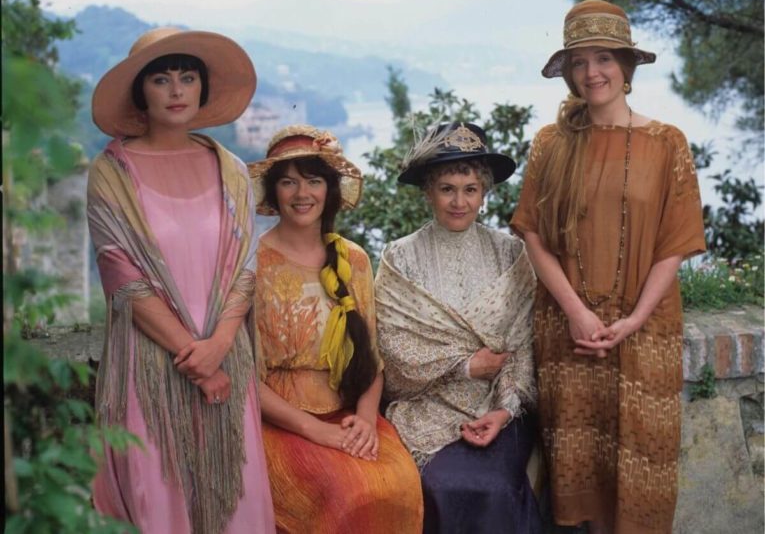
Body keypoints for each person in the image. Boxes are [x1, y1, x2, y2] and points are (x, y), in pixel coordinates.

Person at [510, 0, 706, 534]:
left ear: (626, 65)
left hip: (645, 335)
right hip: (568, 333)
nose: (592, 72)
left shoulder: (667, 143)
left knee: (642, 475)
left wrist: (636, 319)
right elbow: (531, 231)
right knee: (580, 478)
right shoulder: (550, 143)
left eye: (603, 58)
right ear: (569, 72)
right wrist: (576, 312)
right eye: (579, 61)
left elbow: (674, 243)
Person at [87, 27, 275, 534]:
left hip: (226, 359)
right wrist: (196, 359)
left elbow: (246, 267)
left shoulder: (231, 169)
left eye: (187, 78)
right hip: (151, 366)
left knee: (234, 497)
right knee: (158, 496)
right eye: (161, 79)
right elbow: (122, 279)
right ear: (140, 92)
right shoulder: (111, 173)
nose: (176, 90)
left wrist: (218, 345)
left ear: (201, 89)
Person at [247, 125, 423, 534]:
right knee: (342, 493)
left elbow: (371, 359)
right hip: (278, 420)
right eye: (288, 182)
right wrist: (316, 431)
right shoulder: (252, 264)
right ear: (274, 193)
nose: (301, 193)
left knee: (398, 484)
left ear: (330, 189)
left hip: (349, 415)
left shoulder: (354, 260)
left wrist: (364, 419)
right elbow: (245, 378)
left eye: (313, 180)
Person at [375, 121, 542, 534]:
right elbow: (393, 346)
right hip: (426, 406)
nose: (458, 202)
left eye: (470, 189)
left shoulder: (511, 254)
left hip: (501, 403)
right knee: (438, 482)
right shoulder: (401, 257)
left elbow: (523, 344)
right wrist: (465, 366)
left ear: (484, 193)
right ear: (429, 191)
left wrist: (504, 411)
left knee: (494, 487)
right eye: (447, 188)